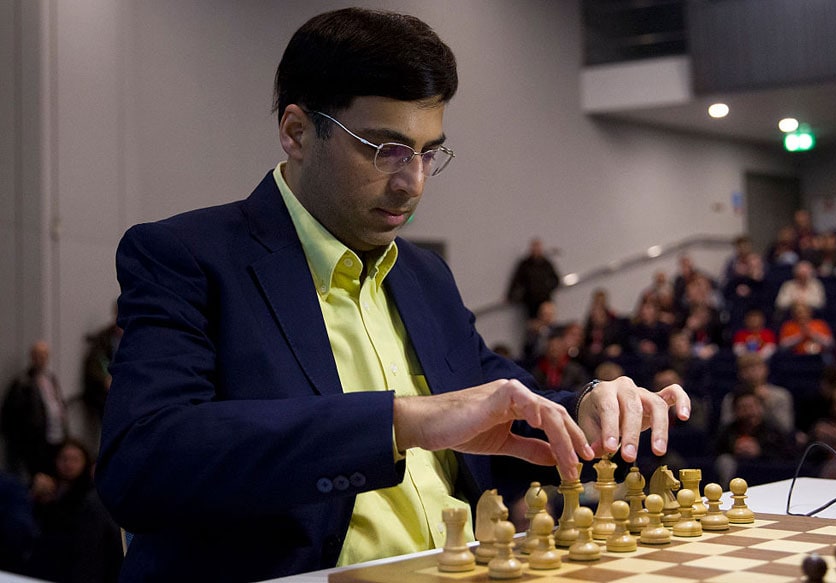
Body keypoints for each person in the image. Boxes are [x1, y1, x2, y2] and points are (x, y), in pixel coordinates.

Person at [94, 8, 690, 581]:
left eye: (429, 151)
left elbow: (492, 396)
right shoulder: (188, 256)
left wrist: (585, 404)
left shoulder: (423, 275)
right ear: (297, 132)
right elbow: (142, 464)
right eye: (386, 149)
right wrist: (396, 423)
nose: (413, 183)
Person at [26, 439, 122, 583]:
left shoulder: (91, 499)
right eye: (64, 459)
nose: (68, 464)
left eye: (75, 459)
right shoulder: (45, 490)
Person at [1, 341, 68, 481]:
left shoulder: (50, 378)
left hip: (54, 434)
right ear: (32, 357)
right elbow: (12, 414)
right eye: (38, 355)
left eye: (45, 356)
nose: (42, 359)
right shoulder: (23, 382)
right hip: (35, 439)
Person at [506, 238, 560, 318]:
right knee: (533, 321)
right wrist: (510, 294)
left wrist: (548, 289)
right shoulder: (525, 264)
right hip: (530, 299)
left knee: (547, 317)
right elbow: (516, 280)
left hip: (544, 297)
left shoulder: (546, 263)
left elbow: (556, 279)